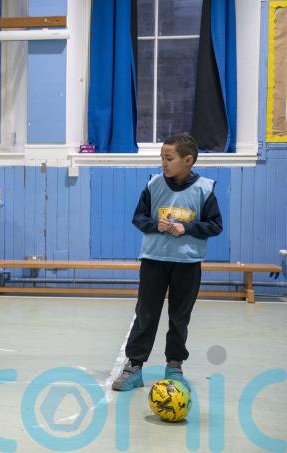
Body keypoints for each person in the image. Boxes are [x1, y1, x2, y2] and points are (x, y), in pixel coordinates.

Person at [112, 134, 223, 391]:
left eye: (169, 158)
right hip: (154, 260)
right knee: (146, 314)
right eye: (162, 157)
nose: (163, 162)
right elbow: (138, 218)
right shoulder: (153, 184)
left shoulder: (205, 189)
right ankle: (134, 367)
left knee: (179, 317)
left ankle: (174, 366)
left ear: (188, 160)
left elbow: (215, 225)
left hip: (187, 263)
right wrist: (154, 224)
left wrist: (187, 228)